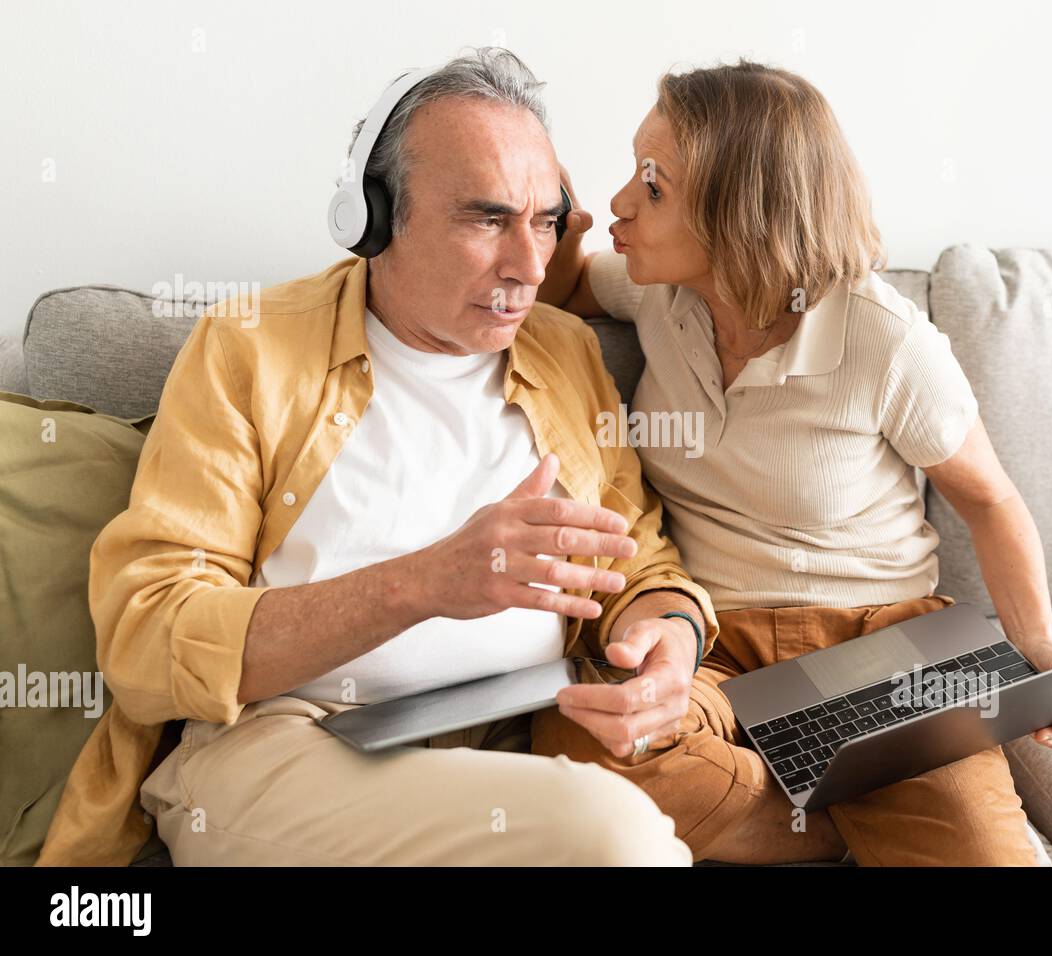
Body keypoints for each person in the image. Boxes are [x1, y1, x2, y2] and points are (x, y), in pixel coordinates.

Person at [36, 48, 717, 867]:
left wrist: (667, 641)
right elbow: (149, 639)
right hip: (290, 742)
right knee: (615, 839)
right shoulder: (248, 349)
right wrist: (426, 582)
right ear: (374, 216)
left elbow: (639, 565)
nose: (530, 268)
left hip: (522, 734)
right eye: (488, 219)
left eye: (544, 222)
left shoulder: (564, 352)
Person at [534, 59, 1052, 866]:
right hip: (709, 640)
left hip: (877, 648)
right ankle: (827, 824)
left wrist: (1038, 643)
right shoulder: (659, 291)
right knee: (586, 739)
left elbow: (989, 501)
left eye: (653, 187)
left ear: (741, 215)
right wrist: (557, 213)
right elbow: (565, 285)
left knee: (986, 855)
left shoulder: (883, 338)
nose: (624, 200)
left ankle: (839, 795)